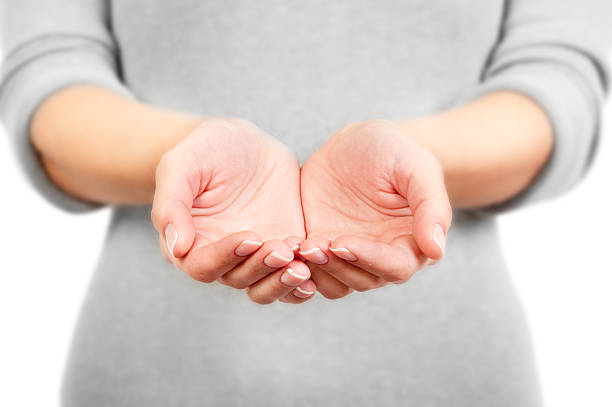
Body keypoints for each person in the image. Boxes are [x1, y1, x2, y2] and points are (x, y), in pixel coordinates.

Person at [1, 1, 610, 406]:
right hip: (149, 377)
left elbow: (559, 80)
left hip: (452, 378)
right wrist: (188, 155)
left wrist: (410, 162)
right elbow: (48, 72)